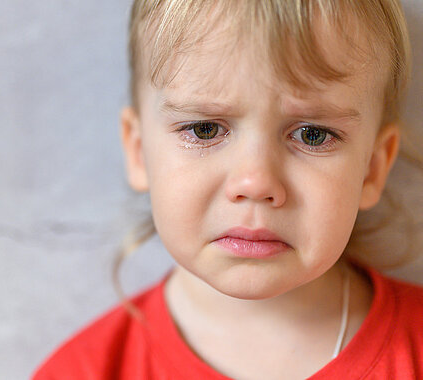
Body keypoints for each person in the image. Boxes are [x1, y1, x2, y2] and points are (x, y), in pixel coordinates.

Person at [33, 0, 423, 378]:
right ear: (138, 151)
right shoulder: (83, 371)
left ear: (372, 168)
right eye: (205, 129)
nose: (255, 183)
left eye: (312, 134)